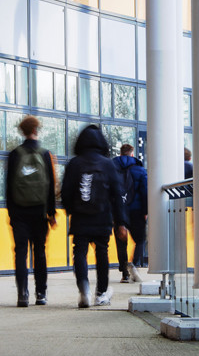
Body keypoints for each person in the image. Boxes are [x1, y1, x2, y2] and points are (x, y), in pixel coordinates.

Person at [61, 125, 127, 308]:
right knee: (102, 253)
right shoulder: (108, 164)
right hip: (102, 217)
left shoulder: (74, 164)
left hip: (80, 217)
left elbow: (65, 192)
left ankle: (84, 289)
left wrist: (71, 210)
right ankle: (100, 294)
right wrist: (121, 222)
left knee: (79, 252)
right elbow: (117, 194)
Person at [5, 116, 57, 307]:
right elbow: (50, 185)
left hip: (19, 212)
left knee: (20, 252)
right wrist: (51, 213)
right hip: (39, 213)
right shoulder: (45, 154)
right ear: (36, 130)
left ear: (22, 131)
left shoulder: (14, 154)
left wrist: (11, 212)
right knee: (40, 252)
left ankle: (22, 294)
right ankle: (41, 294)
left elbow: (9, 186)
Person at [112, 144, 148, 283]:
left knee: (121, 240)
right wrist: (145, 211)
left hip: (119, 209)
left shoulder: (113, 168)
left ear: (121, 154)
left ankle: (124, 274)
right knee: (140, 239)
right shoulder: (139, 169)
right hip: (136, 209)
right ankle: (134, 263)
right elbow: (145, 191)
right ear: (132, 154)